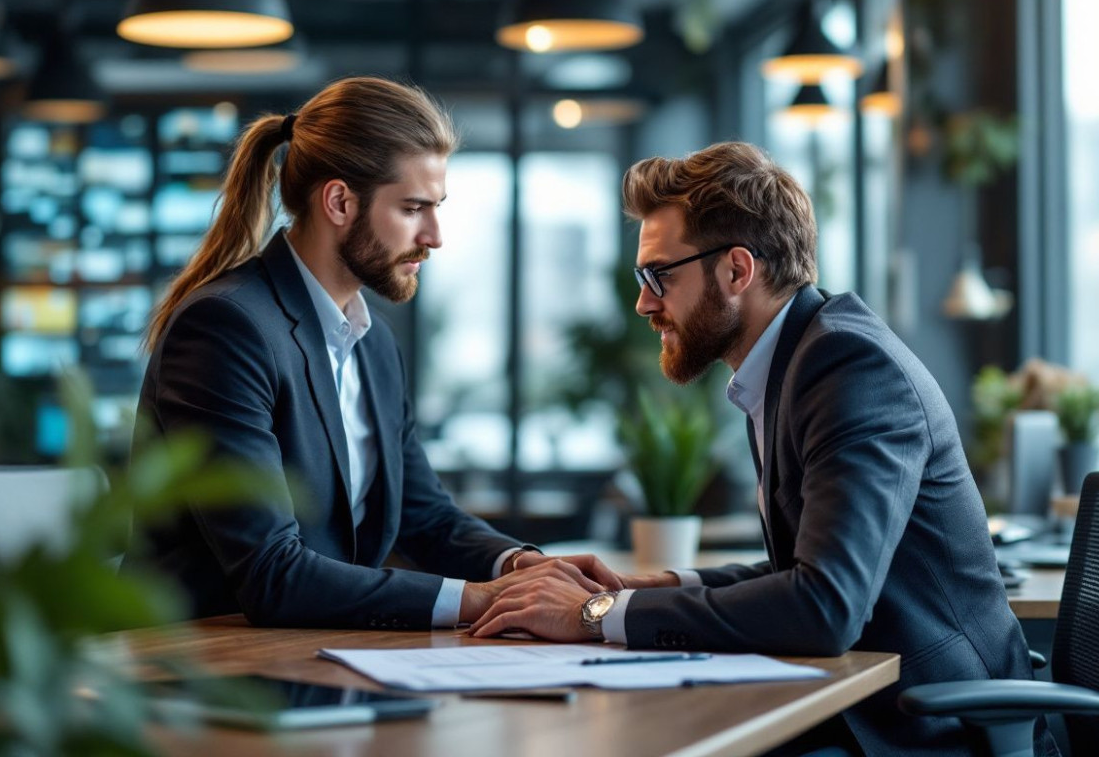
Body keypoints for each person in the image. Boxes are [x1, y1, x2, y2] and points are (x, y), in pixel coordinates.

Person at [469, 142, 1046, 755]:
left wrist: (597, 615)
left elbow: (825, 606)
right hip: (867, 700)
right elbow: (800, 570)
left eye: (658, 274)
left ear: (737, 271)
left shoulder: (850, 368)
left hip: (927, 728)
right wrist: (651, 586)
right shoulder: (792, 360)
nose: (643, 302)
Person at [129, 77, 618, 630]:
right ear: (339, 202)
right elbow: (271, 573)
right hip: (195, 668)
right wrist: (483, 600)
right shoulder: (227, 327)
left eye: (437, 208)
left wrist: (524, 566)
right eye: (413, 208)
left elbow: (424, 516)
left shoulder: (374, 342)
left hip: (317, 656)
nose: (434, 236)